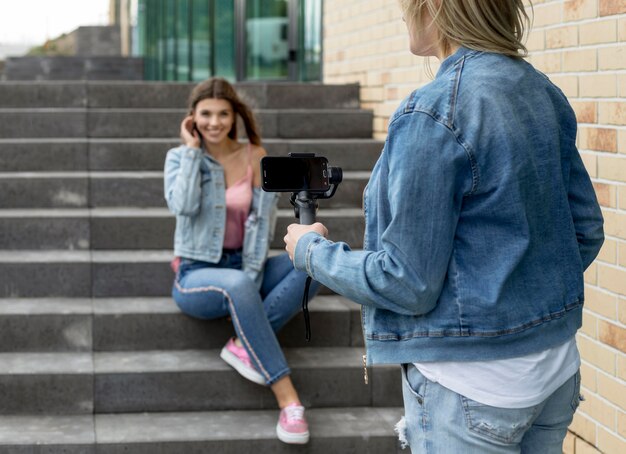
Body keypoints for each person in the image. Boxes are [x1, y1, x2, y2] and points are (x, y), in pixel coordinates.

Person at [283, 0, 604, 452]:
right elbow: (585, 230)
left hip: (471, 389)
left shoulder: (433, 111)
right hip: (555, 373)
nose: (402, 17)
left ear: (433, 7)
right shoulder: (540, 91)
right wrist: (516, 297)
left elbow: (407, 282)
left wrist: (310, 253)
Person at [164, 77, 318, 445]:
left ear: (235, 117)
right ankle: (289, 400)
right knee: (238, 285)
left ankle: (242, 345)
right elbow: (181, 207)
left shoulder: (255, 155)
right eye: (205, 114)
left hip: (247, 266)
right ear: (192, 118)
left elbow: (263, 226)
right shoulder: (180, 158)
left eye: (223, 114)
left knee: (315, 263)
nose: (214, 122)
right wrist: (190, 151)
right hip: (196, 272)